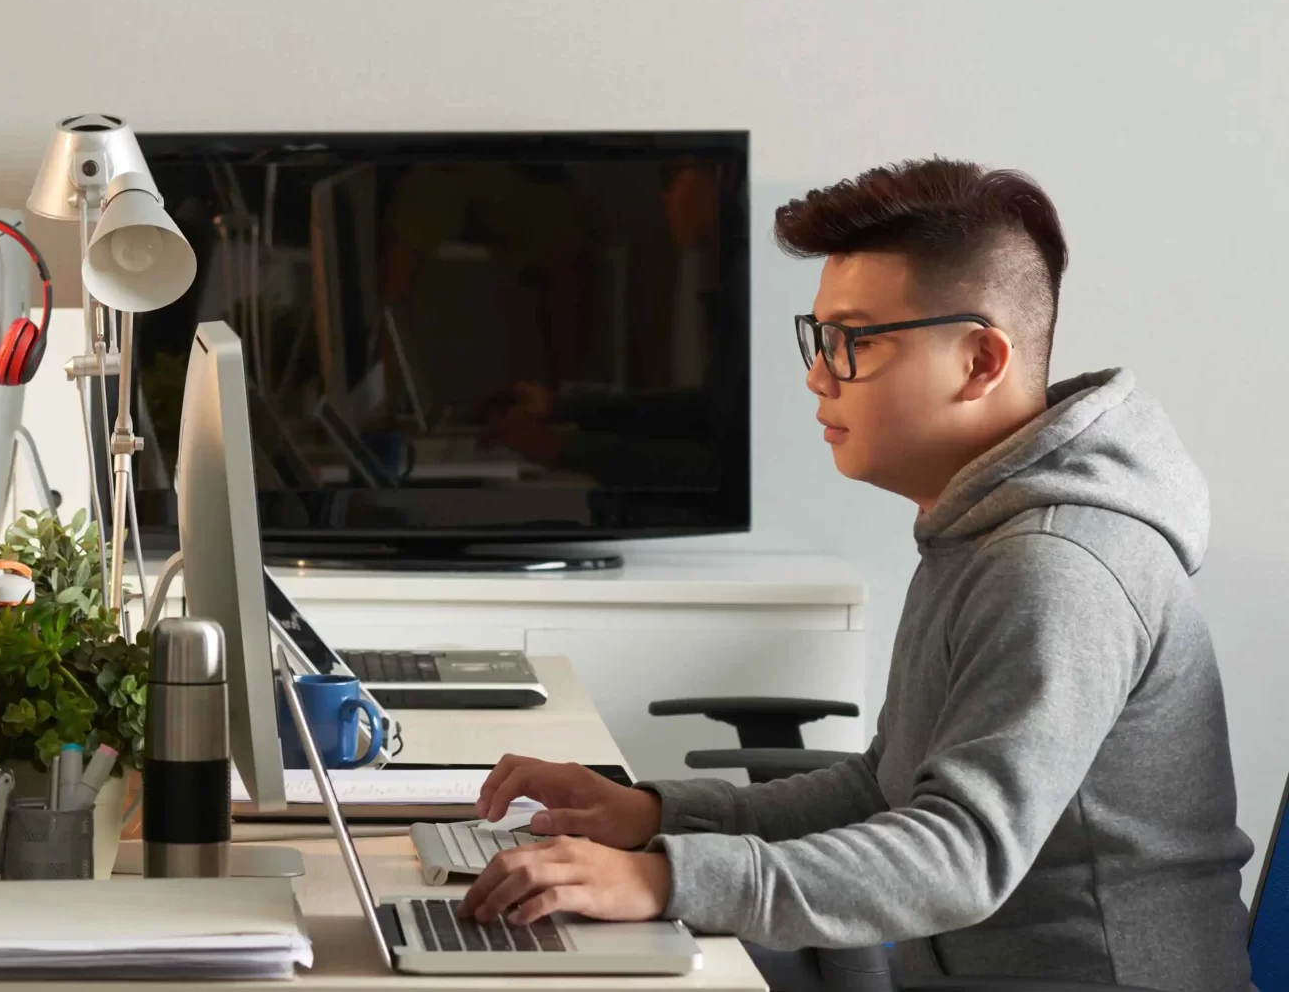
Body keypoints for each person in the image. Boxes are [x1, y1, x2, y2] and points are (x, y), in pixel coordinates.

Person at [459, 158, 1253, 992]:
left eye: (853, 342)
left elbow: (963, 853)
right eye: (819, 338)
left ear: (980, 359)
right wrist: (655, 814)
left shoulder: (1056, 566)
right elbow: (885, 787)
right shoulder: (978, 530)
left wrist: (665, 877)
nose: (817, 375)